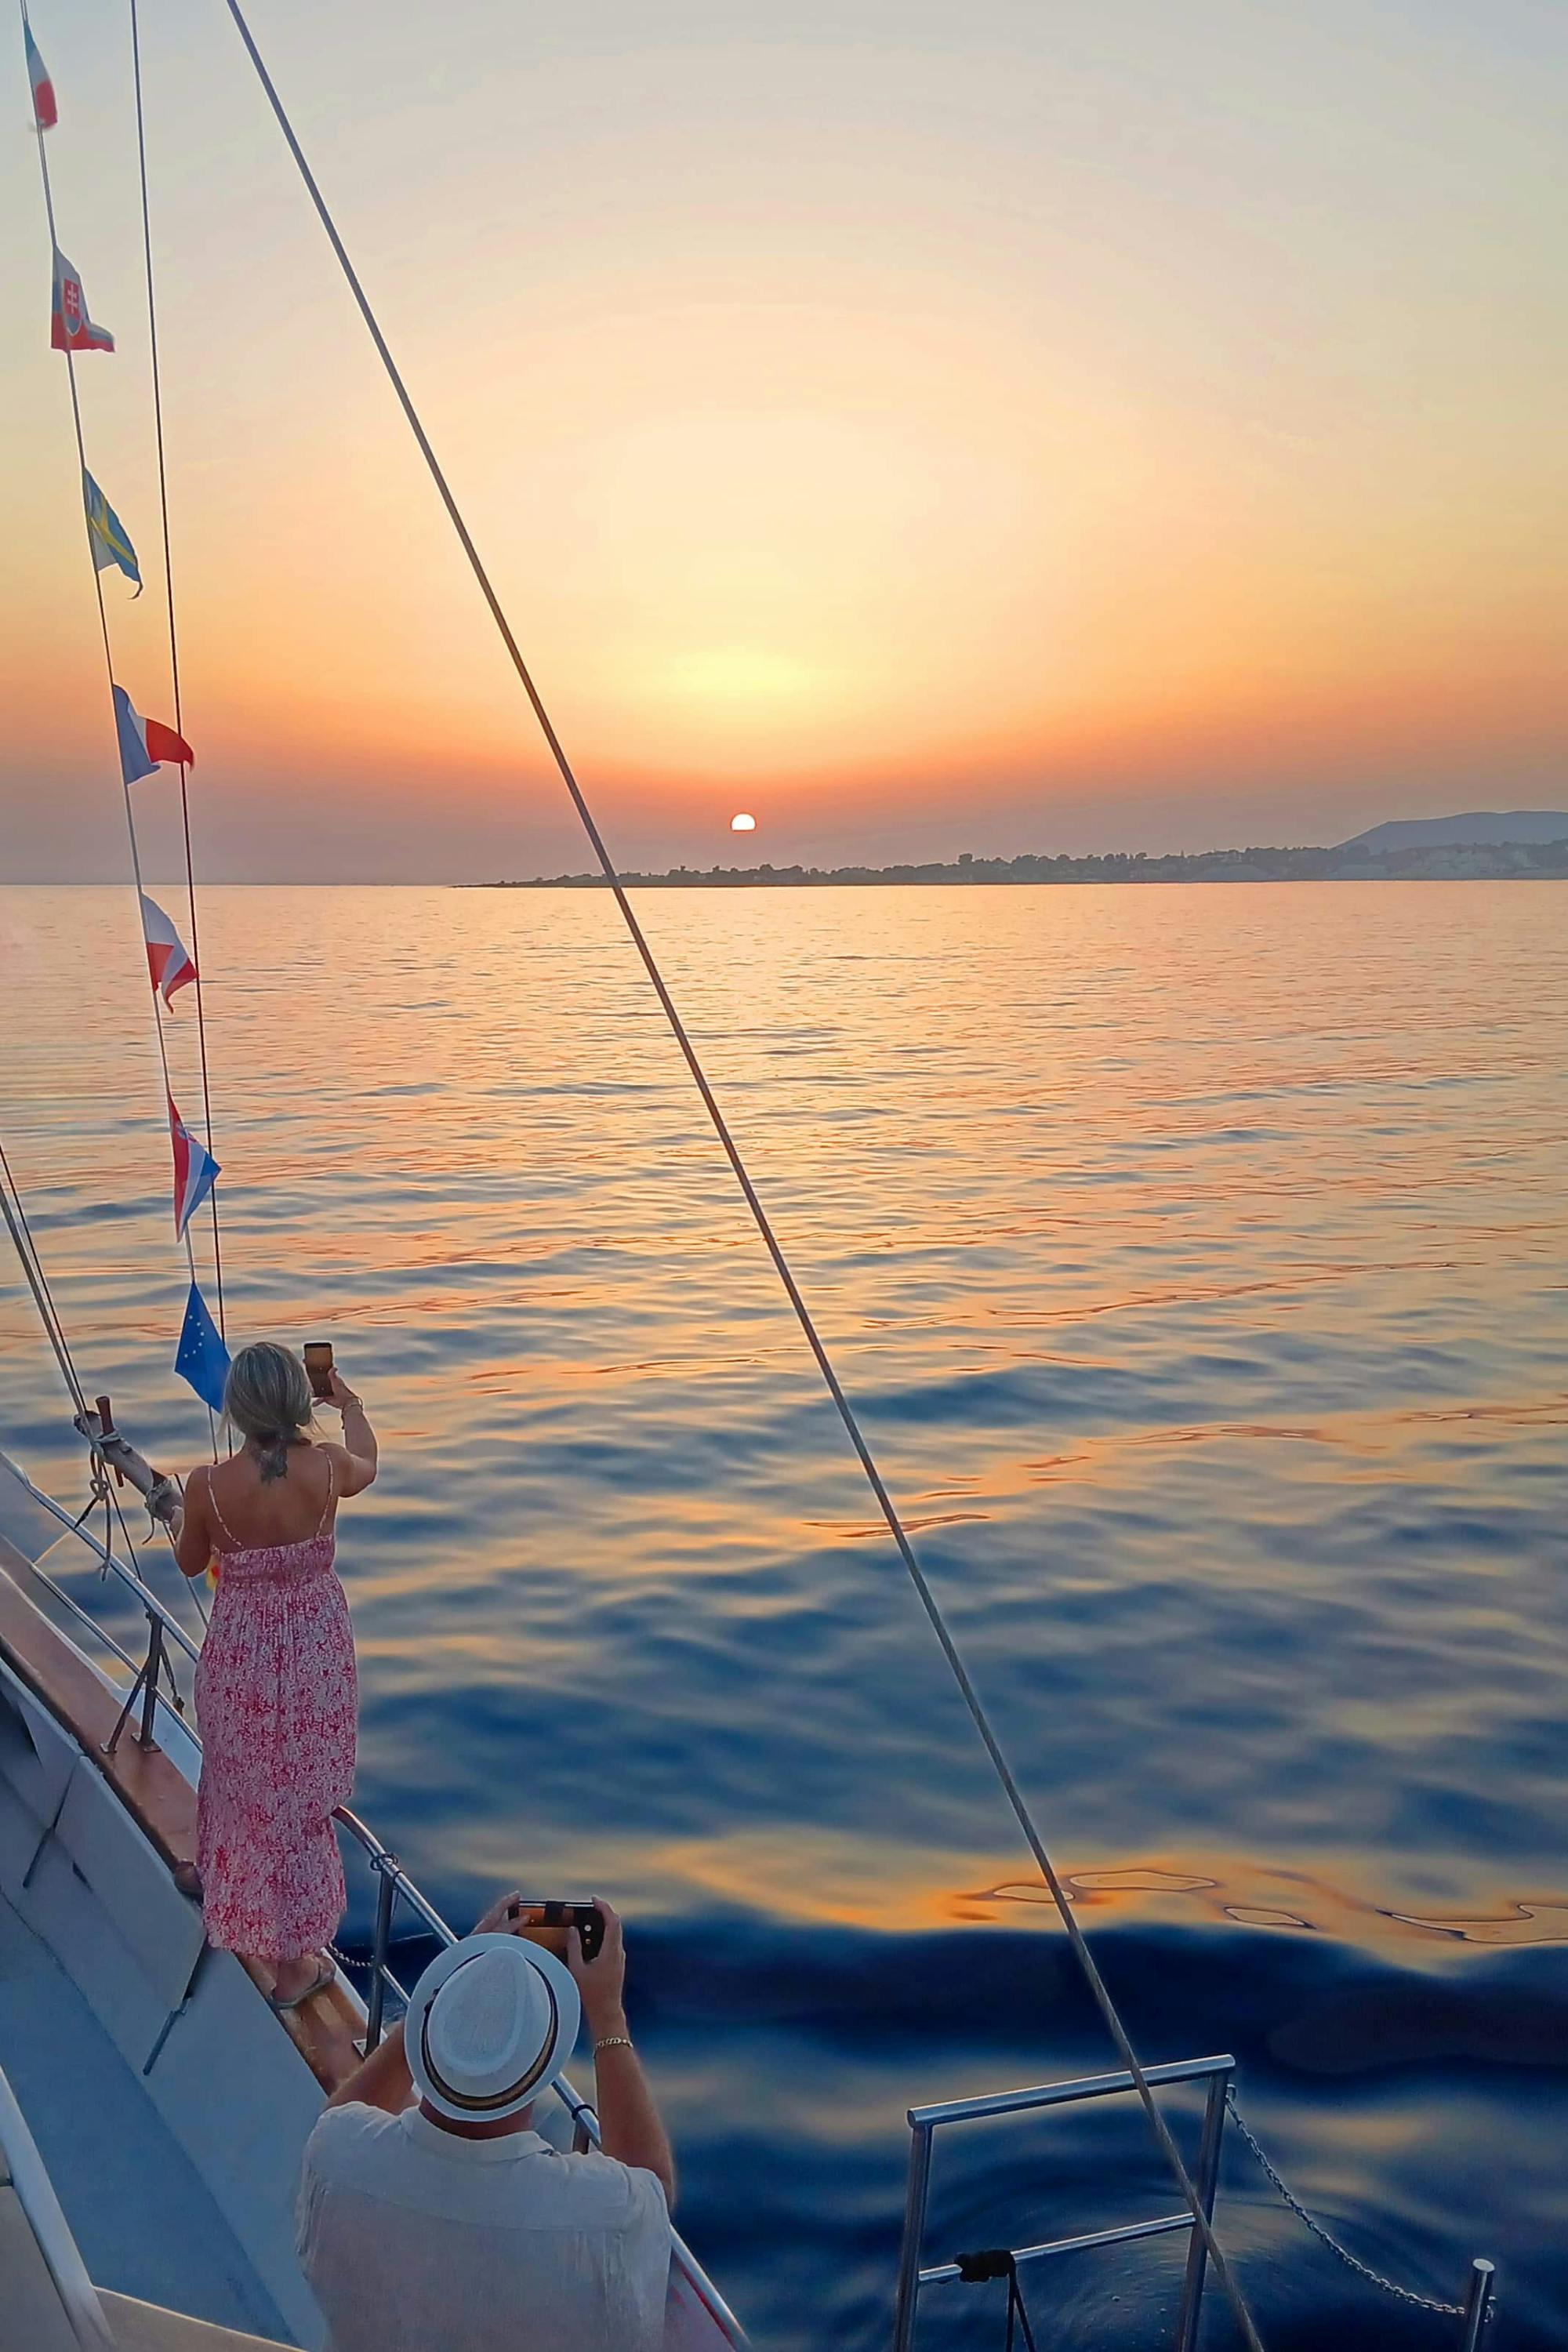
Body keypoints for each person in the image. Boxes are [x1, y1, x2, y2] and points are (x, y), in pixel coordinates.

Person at [296, 1893, 673, 2352]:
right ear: (544, 2066)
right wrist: (608, 2014)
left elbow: (341, 2114)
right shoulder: (601, 2213)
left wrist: (458, 1984)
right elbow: (651, 2185)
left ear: (427, 2036)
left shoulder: (339, 2153)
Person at [173, 1341, 377, 2009]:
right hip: (314, 1654)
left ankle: (228, 1888)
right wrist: (347, 1403)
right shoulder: (325, 1467)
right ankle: (294, 1963)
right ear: (297, 1400)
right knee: (296, 1799)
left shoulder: (206, 1485)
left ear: (235, 1406)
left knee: (239, 1776)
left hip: (241, 1657)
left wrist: (185, 1516)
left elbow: (188, 1562)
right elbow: (369, 1465)